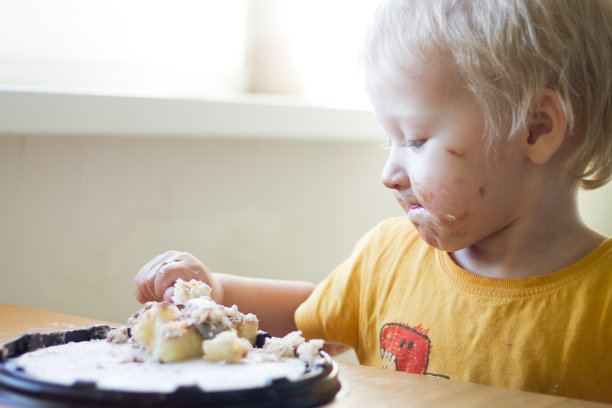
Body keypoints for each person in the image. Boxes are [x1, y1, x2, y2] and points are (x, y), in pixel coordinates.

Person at [133, 0, 612, 402]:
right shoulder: (388, 255)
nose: (389, 174)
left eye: (417, 140)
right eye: (390, 140)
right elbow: (306, 318)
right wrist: (214, 293)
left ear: (537, 128)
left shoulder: (601, 302)